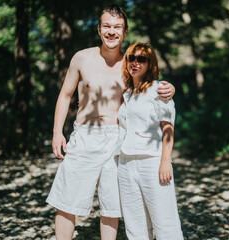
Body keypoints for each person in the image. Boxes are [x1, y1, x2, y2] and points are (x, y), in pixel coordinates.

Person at [46, 6, 175, 240]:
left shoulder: (130, 63)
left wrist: (170, 88)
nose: (111, 31)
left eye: (117, 27)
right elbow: (65, 95)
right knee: (67, 201)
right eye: (107, 26)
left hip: (117, 139)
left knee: (112, 206)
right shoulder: (81, 58)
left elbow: (152, 84)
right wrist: (57, 132)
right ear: (99, 29)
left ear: (124, 32)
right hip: (84, 136)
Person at [117, 42, 183, 240]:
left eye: (141, 59)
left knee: (164, 220)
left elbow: (168, 128)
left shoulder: (159, 90)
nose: (135, 62)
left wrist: (165, 161)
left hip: (152, 161)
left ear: (149, 64)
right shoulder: (126, 93)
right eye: (131, 58)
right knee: (134, 222)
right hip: (126, 163)